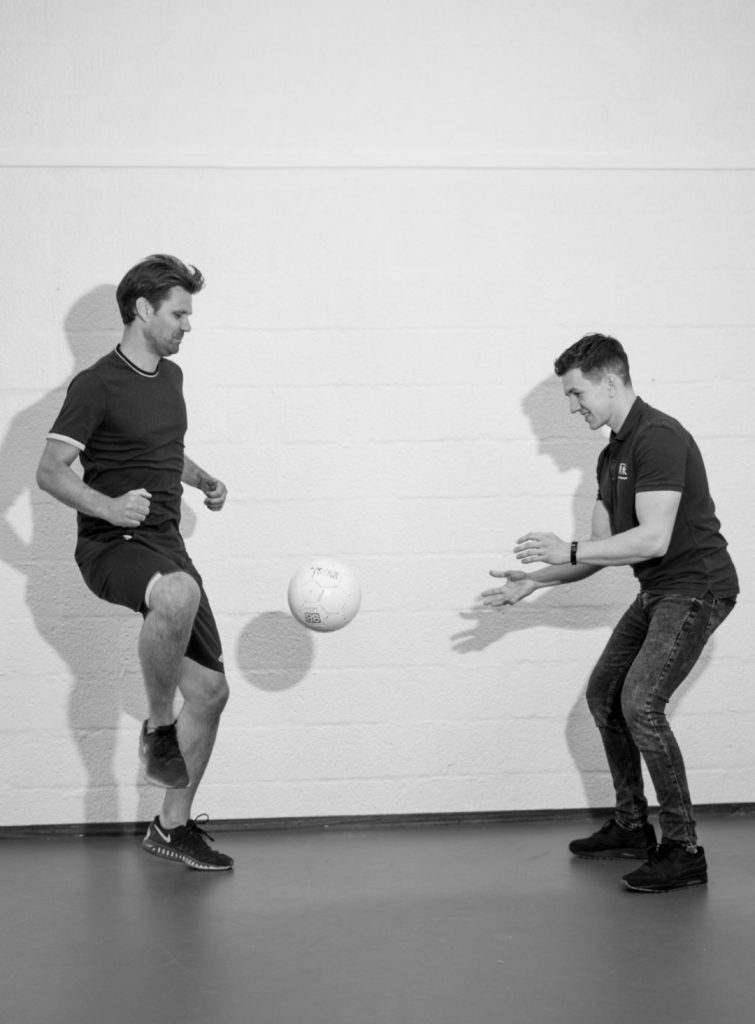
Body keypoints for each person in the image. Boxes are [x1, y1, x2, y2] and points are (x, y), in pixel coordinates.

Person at [482, 334, 738, 893]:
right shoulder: (610, 455)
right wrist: (534, 582)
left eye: (577, 394)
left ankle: (683, 849)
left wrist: (568, 549)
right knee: (606, 696)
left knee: (640, 702)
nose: (573, 407)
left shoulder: (659, 437)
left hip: (697, 588)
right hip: (659, 591)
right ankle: (631, 826)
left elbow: (652, 539)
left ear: (611, 381)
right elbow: (597, 552)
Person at [37, 254, 233, 871]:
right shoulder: (96, 383)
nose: (187, 325)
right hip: (111, 542)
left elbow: (163, 449)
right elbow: (49, 471)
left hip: (166, 542)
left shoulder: (170, 377)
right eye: (179, 313)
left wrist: (202, 479)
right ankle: (158, 728)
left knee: (210, 692)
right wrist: (108, 506)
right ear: (143, 310)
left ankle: (170, 828)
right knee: (177, 594)